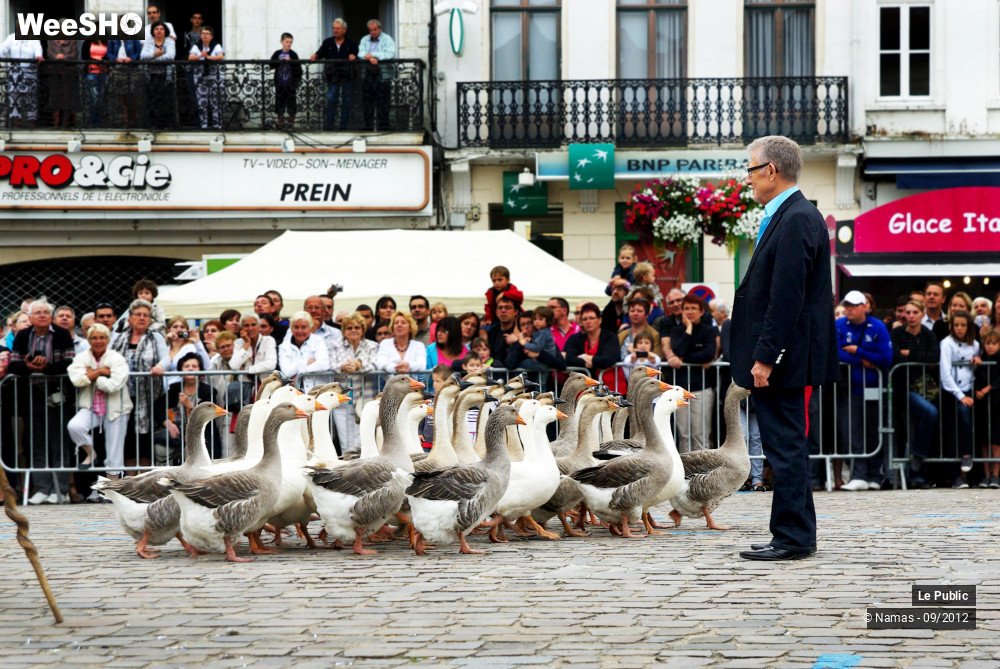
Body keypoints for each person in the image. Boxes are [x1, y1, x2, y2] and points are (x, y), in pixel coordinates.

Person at [730, 135, 838, 562]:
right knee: (784, 444)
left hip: (783, 357)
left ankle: (793, 537)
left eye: (752, 171)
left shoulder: (795, 218)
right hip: (786, 355)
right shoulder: (791, 215)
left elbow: (786, 296)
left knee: (786, 445)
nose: (749, 180)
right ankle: (792, 532)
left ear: (771, 171)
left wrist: (765, 356)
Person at [10, 301, 76, 504]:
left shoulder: (62, 334)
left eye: (46, 312)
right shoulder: (23, 335)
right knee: (36, 442)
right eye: (37, 312)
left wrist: (46, 367)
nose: (42, 315)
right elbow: (14, 363)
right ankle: (42, 487)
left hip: (58, 393)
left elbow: (69, 362)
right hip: (31, 394)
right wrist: (29, 366)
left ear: (51, 316)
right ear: (29, 317)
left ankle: (61, 489)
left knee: (59, 441)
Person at [836, 291, 893, 492]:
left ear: (864, 307)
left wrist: (857, 351)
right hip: (849, 388)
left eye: (853, 305)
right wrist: (861, 360)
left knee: (874, 431)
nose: (849, 309)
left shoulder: (877, 326)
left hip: (874, 387)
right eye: (847, 305)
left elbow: (886, 357)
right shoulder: (840, 324)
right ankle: (858, 474)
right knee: (853, 431)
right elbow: (836, 352)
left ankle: (874, 475)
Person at [67, 324, 132, 475]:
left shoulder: (116, 358)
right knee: (75, 426)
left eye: (102, 337)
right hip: (91, 407)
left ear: (107, 339)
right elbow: (76, 379)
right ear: (88, 340)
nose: (98, 341)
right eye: (94, 338)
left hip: (117, 408)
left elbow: (114, 385)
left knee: (114, 449)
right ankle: (91, 453)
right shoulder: (81, 358)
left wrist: (93, 376)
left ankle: (112, 487)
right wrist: (101, 372)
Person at [111, 299, 169, 466]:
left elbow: (166, 358)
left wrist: (159, 366)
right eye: (138, 314)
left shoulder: (155, 337)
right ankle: (129, 481)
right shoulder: (118, 338)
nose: (142, 318)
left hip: (148, 396)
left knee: (145, 438)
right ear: (130, 318)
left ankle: (143, 480)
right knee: (128, 438)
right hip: (123, 396)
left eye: (146, 315)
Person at [890, 299, 941, 489]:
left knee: (920, 426)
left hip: (927, 388)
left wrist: (909, 353)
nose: (910, 316)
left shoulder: (928, 334)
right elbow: (895, 356)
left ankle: (917, 469)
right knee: (929, 413)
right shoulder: (897, 333)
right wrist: (918, 356)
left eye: (914, 312)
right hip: (905, 389)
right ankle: (917, 458)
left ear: (921, 314)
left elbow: (934, 357)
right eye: (908, 313)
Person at [667, 294, 720, 453]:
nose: (690, 312)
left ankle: (702, 471)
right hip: (680, 390)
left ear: (701, 311)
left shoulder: (708, 331)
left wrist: (683, 359)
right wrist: (688, 330)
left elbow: (708, 354)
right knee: (683, 434)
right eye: (687, 308)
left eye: (694, 308)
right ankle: (684, 471)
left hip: (701, 388)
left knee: (700, 433)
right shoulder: (676, 330)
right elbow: (677, 350)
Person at [154, 352, 219, 464]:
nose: (190, 369)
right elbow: (157, 408)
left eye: (194, 366)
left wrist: (189, 405)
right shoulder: (174, 390)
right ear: (181, 370)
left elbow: (208, 418)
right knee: (160, 449)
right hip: (176, 435)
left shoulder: (209, 391)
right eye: (186, 366)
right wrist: (167, 422)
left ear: (200, 370)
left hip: (201, 437)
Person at [940, 310, 981, 489]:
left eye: (963, 325)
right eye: (956, 325)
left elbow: (977, 370)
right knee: (951, 431)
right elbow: (945, 373)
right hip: (953, 392)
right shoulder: (946, 344)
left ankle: (969, 470)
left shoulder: (976, 345)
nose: (959, 328)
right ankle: (955, 474)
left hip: (970, 389)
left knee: (970, 423)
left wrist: (978, 363)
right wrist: (961, 396)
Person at [330, 313, 377, 455]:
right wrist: (342, 367)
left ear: (363, 329)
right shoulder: (335, 346)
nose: (353, 330)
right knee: (346, 443)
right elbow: (330, 364)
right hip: (343, 398)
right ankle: (346, 470)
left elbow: (375, 365)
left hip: (365, 397)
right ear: (344, 331)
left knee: (361, 440)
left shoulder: (372, 346)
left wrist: (359, 365)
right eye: (349, 328)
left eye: (357, 327)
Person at [311, 19, 357, 131]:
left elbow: (356, 53)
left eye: (338, 28)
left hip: (347, 76)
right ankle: (330, 126)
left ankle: (343, 127)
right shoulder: (328, 42)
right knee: (331, 101)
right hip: (332, 76)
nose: (335, 30)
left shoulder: (351, 42)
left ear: (344, 30)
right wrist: (315, 56)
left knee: (347, 102)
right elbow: (320, 53)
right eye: (334, 28)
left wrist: (353, 56)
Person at [227, 313, 277, 404]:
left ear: (258, 326)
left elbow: (271, 363)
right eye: (246, 325)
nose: (250, 328)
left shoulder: (268, 340)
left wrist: (248, 370)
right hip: (244, 389)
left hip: (264, 386)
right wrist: (246, 344)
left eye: (253, 324)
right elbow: (233, 365)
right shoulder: (238, 343)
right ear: (242, 328)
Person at [358, 19, 396, 131]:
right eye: (371, 30)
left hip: (383, 75)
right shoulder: (364, 39)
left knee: (383, 103)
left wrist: (373, 55)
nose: (373, 32)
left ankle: (383, 127)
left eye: (375, 29)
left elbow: (390, 53)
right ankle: (368, 127)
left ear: (380, 29)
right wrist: (369, 57)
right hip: (367, 75)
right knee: (367, 103)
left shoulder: (387, 39)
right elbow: (360, 53)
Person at [564, 303, 620, 379]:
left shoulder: (610, 337)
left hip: (610, 383)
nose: (588, 321)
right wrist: (591, 362)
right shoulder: (576, 338)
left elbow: (609, 360)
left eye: (591, 318)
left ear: (599, 320)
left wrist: (586, 358)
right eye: (585, 319)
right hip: (586, 385)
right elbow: (569, 359)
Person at [278, 311, 330, 391]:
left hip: (316, 390)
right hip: (293, 391)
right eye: (296, 327)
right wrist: (306, 362)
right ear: (291, 328)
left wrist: (300, 373)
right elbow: (286, 372)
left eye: (303, 327)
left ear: (310, 328)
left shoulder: (318, 341)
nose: (299, 331)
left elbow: (324, 364)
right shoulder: (284, 346)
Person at [974, 330, 1000, 488]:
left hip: (996, 403)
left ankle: (996, 474)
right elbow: (976, 378)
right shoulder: (981, 359)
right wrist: (978, 390)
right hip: (982, 404)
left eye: (994, 343)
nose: (990, 347)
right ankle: (986, 474)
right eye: (988, 343)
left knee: (996, 441)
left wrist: (987, 389)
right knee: (984, 440)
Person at [0, 34, 43, 128]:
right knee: (14, 96)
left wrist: (38, 56)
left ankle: (32, 121)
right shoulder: (11, 38)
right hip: (14, 74)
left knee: (31, 97)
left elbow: (38, 51)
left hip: (29, 73)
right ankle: (15, 121)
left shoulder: (34, 39)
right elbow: (2, 50)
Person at [140, 21, 176, 129]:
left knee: (165, 99)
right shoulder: (149, 41)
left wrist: (152, 59)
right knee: (151, 99)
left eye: (161, 29)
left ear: (165, 31)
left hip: (166, 75)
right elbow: (142, 56)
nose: (159, 31)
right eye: (156, 29)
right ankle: (153, 124)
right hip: (151, 75)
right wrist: (155, 54)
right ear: (153, 31)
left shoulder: (169, 41)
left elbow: (170, 56)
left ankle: (165, 124)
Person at [188, 26, 224, 129]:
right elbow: (190, 57)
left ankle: (218, 125)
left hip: (214, 76)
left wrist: (208, 57)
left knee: (215, 100)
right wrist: (200, 56)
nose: (204, 35)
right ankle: (204, 125)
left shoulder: (216, 45)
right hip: (200, 76)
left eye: (207, 33)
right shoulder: (197, 46)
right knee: (202, 101)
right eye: (203, 33)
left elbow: (220, 56)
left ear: (211, 36)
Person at [106, 36, 144, 126]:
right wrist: (115, 59)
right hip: (118, 69)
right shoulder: (113, 39)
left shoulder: (134, 39)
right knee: (119, 95)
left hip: (132, 70)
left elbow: (139, 53)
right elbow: (109, 53)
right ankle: (123, 119)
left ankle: (133, 119)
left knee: (132, 95)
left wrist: (131, 58)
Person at [163, 316, 211, 385]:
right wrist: (165, 342)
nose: (179, 329)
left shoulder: (190, 347)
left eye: (182, 327)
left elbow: (207, 366)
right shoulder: (165, 347)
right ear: (168, 330)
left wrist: (197, 342)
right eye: (175, 327)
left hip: (183, 387)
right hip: (165, 390)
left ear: (186, 331)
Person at [44, 39, 81, 128]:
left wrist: (64, 57)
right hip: (55, 73)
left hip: (69, 73)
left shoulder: (73, 41)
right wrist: (56, 56)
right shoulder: (51, 41)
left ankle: (66, 123)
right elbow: (49, 53)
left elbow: (74, 54)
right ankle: (56, 124)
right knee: (55, 99)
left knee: (68, 99)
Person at [618, 297, 663, 362]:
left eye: (639, 311)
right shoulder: (621, 334)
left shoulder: (655, 335)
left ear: (647, 314)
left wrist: (636, 352)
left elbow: (657, 359)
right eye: (632, 311)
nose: (635, 314)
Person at [80, 37, 110, 126]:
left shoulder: (107, 42)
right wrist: (96, 61)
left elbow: (110, 55)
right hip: (91, 72)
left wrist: (103, 61)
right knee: (95, 97)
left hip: (104, 73)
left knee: (102, 97)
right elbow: (84, 56)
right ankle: (93, 122)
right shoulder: (88, 42)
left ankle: (100, 121)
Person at [486, 295, 520, 367]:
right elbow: (491, 357)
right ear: (496, 312)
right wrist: (488, 364)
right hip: (494, 374)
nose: (503, 310)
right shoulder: (492, 332)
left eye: (507, 308)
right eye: (500, 308)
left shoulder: (520, 331)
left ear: (516, 312)